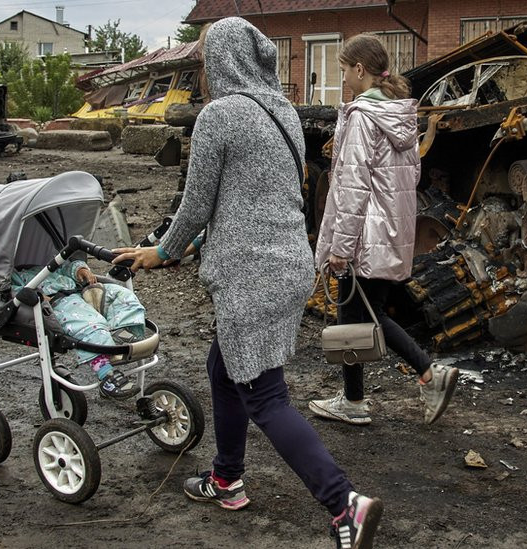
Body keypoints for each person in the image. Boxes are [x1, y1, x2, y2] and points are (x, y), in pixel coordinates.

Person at [112, 18, 382, 549]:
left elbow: (195, 206)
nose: (203, 70)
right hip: (288, 264)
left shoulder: (220, 116)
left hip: (250, 275)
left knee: (265, 395)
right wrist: (184, 248)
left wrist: (164, 251)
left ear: (223, 61)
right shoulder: (281, 109)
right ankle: (227, 478)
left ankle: (344, 503)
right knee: (224, 368)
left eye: (207, 58)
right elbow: (245, 200)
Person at [308, 34, 459, 427]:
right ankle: (355, 398)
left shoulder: (362, 117)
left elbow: (352, 186)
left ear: (360, 70)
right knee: (355, 313)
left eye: (343, 71)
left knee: (363, 314)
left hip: (361, 236)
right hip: (388, 231)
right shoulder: (399, 115)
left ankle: (426, 374)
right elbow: (413, 175)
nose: (342, 79)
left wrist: (340, 246)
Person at [11, 259, 143, 399]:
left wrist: (81, 270)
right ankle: (106, 374)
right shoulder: (16, 276)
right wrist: (37, 297)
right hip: (57, 304)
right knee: (89, 325)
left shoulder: (45, 265)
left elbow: (68, 266)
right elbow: (15, 293)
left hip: (82, 291)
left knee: (123, 295)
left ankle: (122, 332)